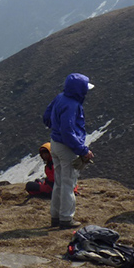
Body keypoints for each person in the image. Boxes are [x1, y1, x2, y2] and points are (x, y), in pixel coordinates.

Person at [43, 73, 95, 229]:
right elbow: (68, 132)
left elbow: (47, 116)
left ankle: (56, 216)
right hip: (66, 148)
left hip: (55, 144)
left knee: (59, 182)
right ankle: (66, 218)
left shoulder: (60, 97)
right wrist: (83, 150)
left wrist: (55, 128)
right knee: (68, 183)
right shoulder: (72, 105)